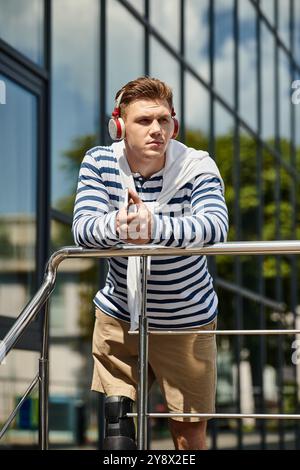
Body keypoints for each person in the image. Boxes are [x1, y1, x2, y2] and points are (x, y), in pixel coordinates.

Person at [72, 76, 228, 450]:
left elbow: (215, 227)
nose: (157, 130)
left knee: (188, 436)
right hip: (119, 314)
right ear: (119, 125)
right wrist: (120, 224)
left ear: (174, 124)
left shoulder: (197, 166)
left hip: (187, 320)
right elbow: (82, 229)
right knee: (117, 427)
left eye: (165, 120)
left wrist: (154, 226)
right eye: (144, 120)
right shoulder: (99, 162)